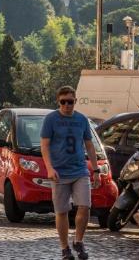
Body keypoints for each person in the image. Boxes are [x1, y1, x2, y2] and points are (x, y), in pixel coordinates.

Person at [41, 86, 99, 260]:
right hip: (59, 172)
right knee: (62, 211)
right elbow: (44, 145)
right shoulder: (51, 119)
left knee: (85, 206)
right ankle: (65, 248)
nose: (67, 105)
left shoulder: (82, 119)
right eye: (63, 102)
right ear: (58, 102)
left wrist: (95, 169)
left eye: (70, 101)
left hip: (80, 170)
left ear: (75, 101)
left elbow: (89, 145)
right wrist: (49, 168)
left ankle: (78, 240)